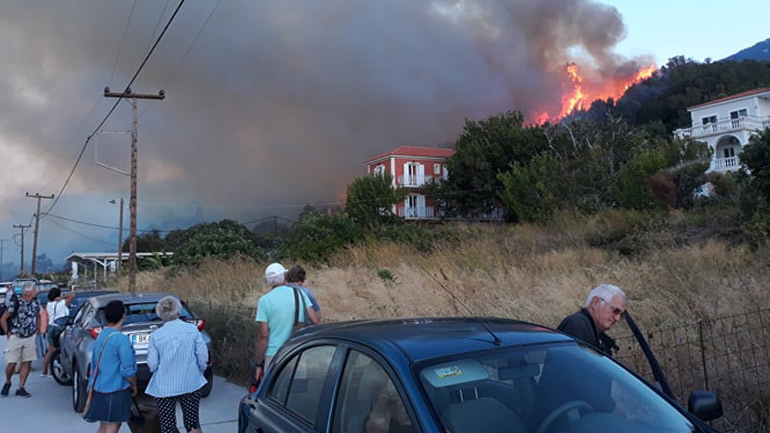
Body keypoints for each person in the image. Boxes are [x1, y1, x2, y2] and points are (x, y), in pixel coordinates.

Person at [145, 296, 209, 433]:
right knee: (193, 423)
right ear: (178, 312)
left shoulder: (156, 336)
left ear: (160, 314)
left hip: (164, 387)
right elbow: (203, 356)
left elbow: (152, 365)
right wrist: (200, 371)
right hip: (190, 382)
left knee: (167, 425)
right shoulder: (192, 330)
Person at [253, 263, 320, 381]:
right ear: (284, 276)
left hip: (274, 354)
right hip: (296, 350)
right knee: (296, 391)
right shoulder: (300, 293)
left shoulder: (264, 301)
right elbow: (315, 320)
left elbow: (264, 337)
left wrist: (258, 364)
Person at [83, 300, 138, 433]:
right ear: (123, 316)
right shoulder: (121, 339)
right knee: (114, 425)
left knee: (103, 425)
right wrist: (134, 385)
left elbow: (96, 362)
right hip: (116, 388)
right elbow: (127, 370)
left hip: (100, 387)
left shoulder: (102, 335)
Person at [557, 284, 627, 356]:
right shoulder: (577, 325)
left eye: (621, 315)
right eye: (615, 311)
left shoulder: (593, 331)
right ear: (596, 303)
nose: (617, 318)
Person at [0, 282, 43, 397]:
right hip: (16, 336)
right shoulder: (16, 303)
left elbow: (38, 315)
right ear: (29, 292)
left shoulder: (35, 303)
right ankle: (8, 381)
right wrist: (7, 332)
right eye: (34, 290)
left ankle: (21, 387)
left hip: (30, 336)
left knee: (26, 362)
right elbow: (4, 318)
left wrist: (38, 328)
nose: (36, 291)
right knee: (12, 363)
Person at [41, 287, 76, 377]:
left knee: (51, 350)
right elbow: (73, 295)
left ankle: (45, 370)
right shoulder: (61, 303)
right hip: (60, 328)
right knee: (61, 350)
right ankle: (59, 369)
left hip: (51, 328)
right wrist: (63, 297)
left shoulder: (49, 304)